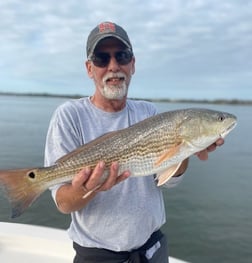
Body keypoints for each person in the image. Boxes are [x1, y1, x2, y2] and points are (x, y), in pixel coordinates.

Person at [44, 21, 224, 263]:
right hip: (98, 256)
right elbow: (64, 203)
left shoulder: (148, 111)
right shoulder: (69, 115)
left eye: (122, 56)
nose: (113, 66)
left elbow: (166, 180)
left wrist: (184, 152)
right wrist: (91, 186)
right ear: (89, 68)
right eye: (101, 58)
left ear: (133, 64)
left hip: (153, 250)